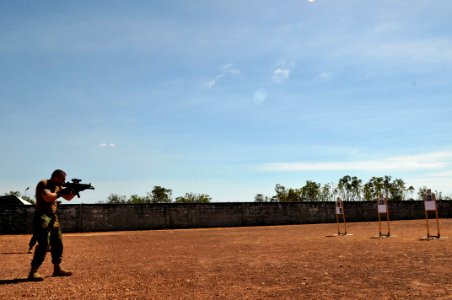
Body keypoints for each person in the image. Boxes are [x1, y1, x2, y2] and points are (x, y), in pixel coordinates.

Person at [28, 169, 75, 281]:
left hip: (53, 216)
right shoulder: (43, 183)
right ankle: (33, 272)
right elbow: (48, 197)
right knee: (44, 243)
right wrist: (61, 192)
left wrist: (75, 191)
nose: (64, 181)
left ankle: (57, 269)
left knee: (58, 242)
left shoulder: (58, 187)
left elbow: (68, 198)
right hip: (42, 216)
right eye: (62, 179)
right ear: (56, 177)